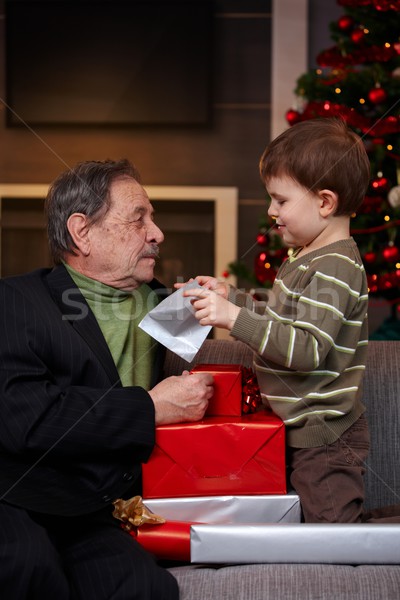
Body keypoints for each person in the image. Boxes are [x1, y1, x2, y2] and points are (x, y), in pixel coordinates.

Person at [0, 159, 214, 599]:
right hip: (16, 498)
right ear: (82, 232)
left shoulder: (161, 304)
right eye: (139, 219)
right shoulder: (16, 301)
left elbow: (249, 329)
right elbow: (28, 419)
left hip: (94, 516)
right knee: (26, 565)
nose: (157, 233)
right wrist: (150, 408)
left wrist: (229, 306)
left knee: (145, 588)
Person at [182, 118, 371, 523]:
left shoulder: (336, 266)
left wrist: (233, 317)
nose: (271, 211)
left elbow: (304, 350)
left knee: (334, 528)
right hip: (294, 427)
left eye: (280, 200)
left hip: (324, 437)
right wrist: (231, 297)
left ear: (325, 202)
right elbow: (280, 321)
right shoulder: (305, 256)